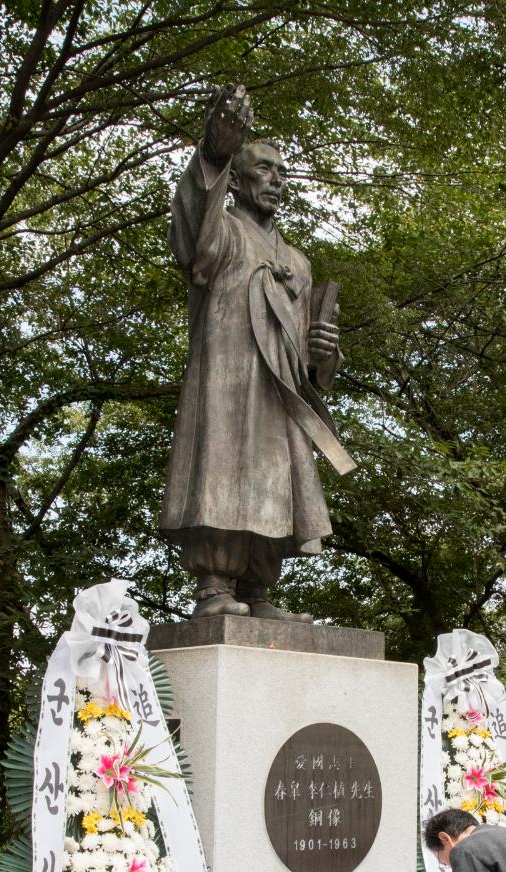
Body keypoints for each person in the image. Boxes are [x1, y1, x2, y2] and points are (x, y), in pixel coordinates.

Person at [160, 83, 355, 621]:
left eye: (282, 172)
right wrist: (213, 153)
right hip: (227, 382)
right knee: (222, 469)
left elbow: (318, 371)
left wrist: (326, 354)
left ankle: (258, 589)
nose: (276, 179)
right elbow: (191, 232)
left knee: (277, 480)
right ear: (239, 179)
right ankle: (215, 584)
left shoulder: (298, 260)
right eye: (264, 169)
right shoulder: (223, 234)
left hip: (279, 396)